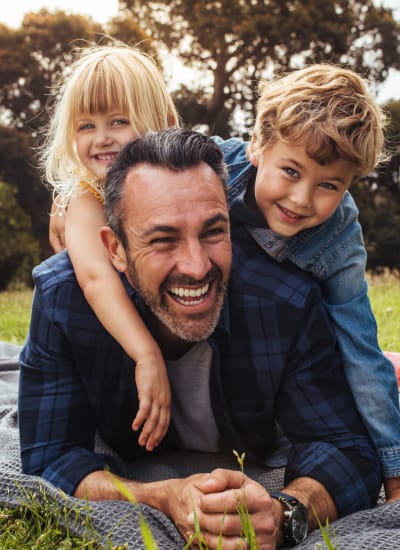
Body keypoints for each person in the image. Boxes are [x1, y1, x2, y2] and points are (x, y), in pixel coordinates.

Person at [19, 128, 381, 549]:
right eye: (163, 239)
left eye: (213, 232)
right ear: (114, 249)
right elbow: (50, 458)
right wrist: (159, 497)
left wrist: (285, 512)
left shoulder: (285, 299)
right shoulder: (63, 299)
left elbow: (348, 451)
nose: (195, 266)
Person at [212, 63, 400, 502]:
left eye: (329, 186)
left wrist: (394, 476)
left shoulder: (338, 237)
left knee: (372, 368)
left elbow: (357, 345)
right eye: (291, 172)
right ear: (258, 144)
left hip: (289, 360)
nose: (301, 199)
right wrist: (74, 199)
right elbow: (134, 173)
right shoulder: (211, 165)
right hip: (210, 337)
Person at [40, 40, 179, 451]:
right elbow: (96, 278)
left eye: (118, 121)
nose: (101, 138)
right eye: (86, 126)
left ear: (163, 122)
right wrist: (146, 355)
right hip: (109, 343)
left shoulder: (179, 178)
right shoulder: (85, 198)